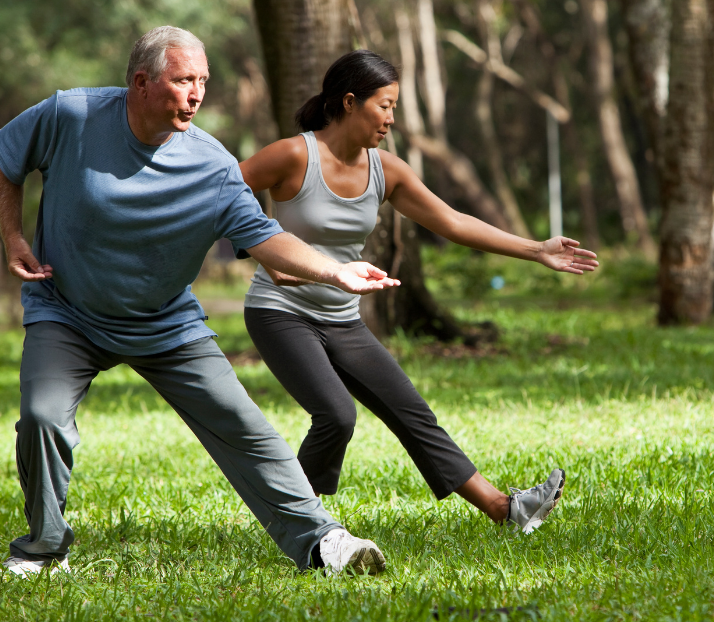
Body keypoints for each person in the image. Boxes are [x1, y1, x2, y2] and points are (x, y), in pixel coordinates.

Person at [0, 27, 397, 578]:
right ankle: (44, 548)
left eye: (203, 81)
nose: (197, 94)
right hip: (67, 310)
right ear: (141, 82)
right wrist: (13, 236)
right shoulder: (71, 116)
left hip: (164, 321)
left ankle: (324, 542)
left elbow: (261, 234)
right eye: (184, 80)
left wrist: (334, 270)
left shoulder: (212, 164)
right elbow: (4, 159)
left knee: (244, 423)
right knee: (42, 417)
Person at [238, 50, 598, 533]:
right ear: (349, 102)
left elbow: (452, 221)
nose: (391, 118)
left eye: (394, 107)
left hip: (342, 317)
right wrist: (265, 254)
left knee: (412, 413)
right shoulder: (293, 155)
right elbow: (221, 196)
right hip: (280, 311)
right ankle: (298, 523)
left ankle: (503, 510)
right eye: (384, 105)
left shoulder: (386, 169)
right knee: (337, 416)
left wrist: (536, 250)